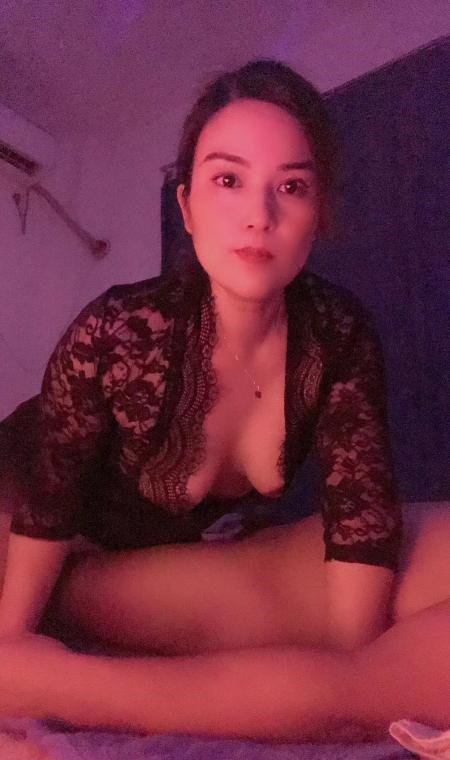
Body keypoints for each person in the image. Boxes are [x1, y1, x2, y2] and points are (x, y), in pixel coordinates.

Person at [0, 58, 448, 741]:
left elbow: (361, 521)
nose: (258, 216)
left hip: (143, 558)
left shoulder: (339, 336)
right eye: (228, 180)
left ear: (319, 213)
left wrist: (348, 682)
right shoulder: (119, 330)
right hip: (20, 511)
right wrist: (11, 650)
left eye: (291, 187)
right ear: (186, 206)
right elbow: (47, 501)